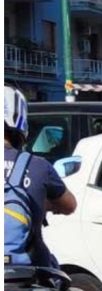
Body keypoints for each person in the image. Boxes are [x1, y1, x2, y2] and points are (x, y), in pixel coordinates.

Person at [4, 86, 77, 267]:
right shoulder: (37, 165)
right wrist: (43, 202)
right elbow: (70, 205)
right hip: (27, 268)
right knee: (59, 283)